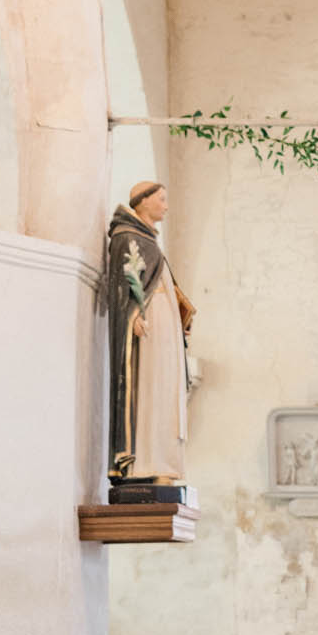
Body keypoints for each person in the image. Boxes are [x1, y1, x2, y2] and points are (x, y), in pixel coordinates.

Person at [104, 180, 194, 485]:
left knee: (165, 388)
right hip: (149, 324)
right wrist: (131, 316)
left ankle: (162, 460)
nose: (166, 206)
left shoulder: (147, 238)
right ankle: (144, 463)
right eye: (162, 200)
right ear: (143, 202)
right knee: (150, 386)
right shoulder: (126, 237)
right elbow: (121, 285)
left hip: (163, 324)